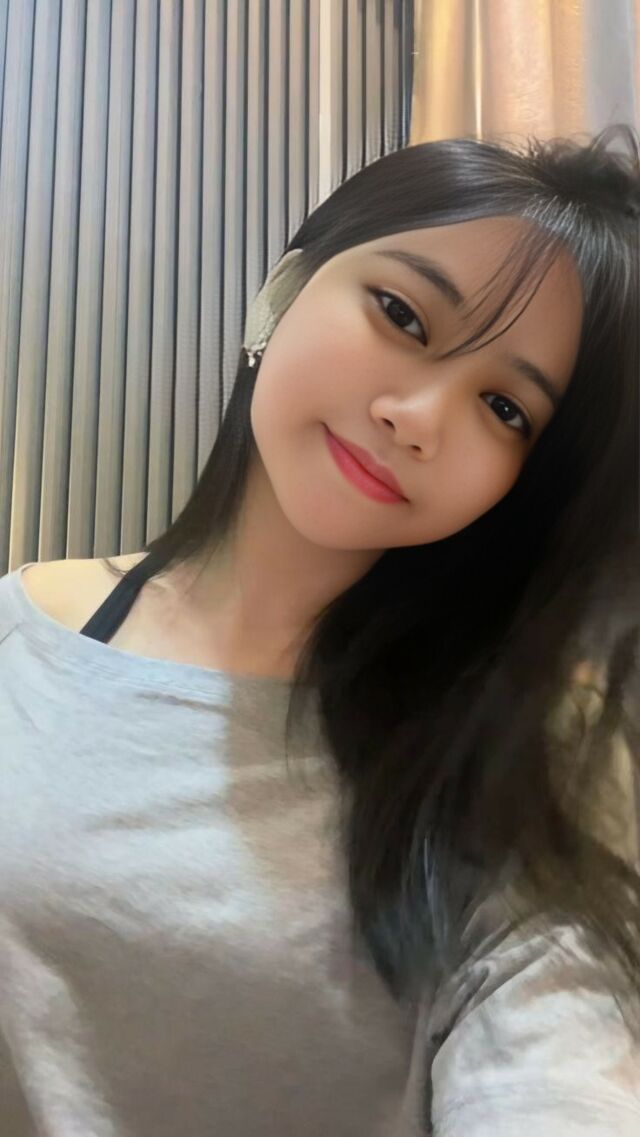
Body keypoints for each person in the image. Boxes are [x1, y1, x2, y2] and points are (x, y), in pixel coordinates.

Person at [1, 125, 639, 1136]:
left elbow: (559, 1058)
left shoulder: (523, 755)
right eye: (402, 314)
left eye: (504, 407)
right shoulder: (22, 641)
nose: (418, 415)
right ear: (282, 294)